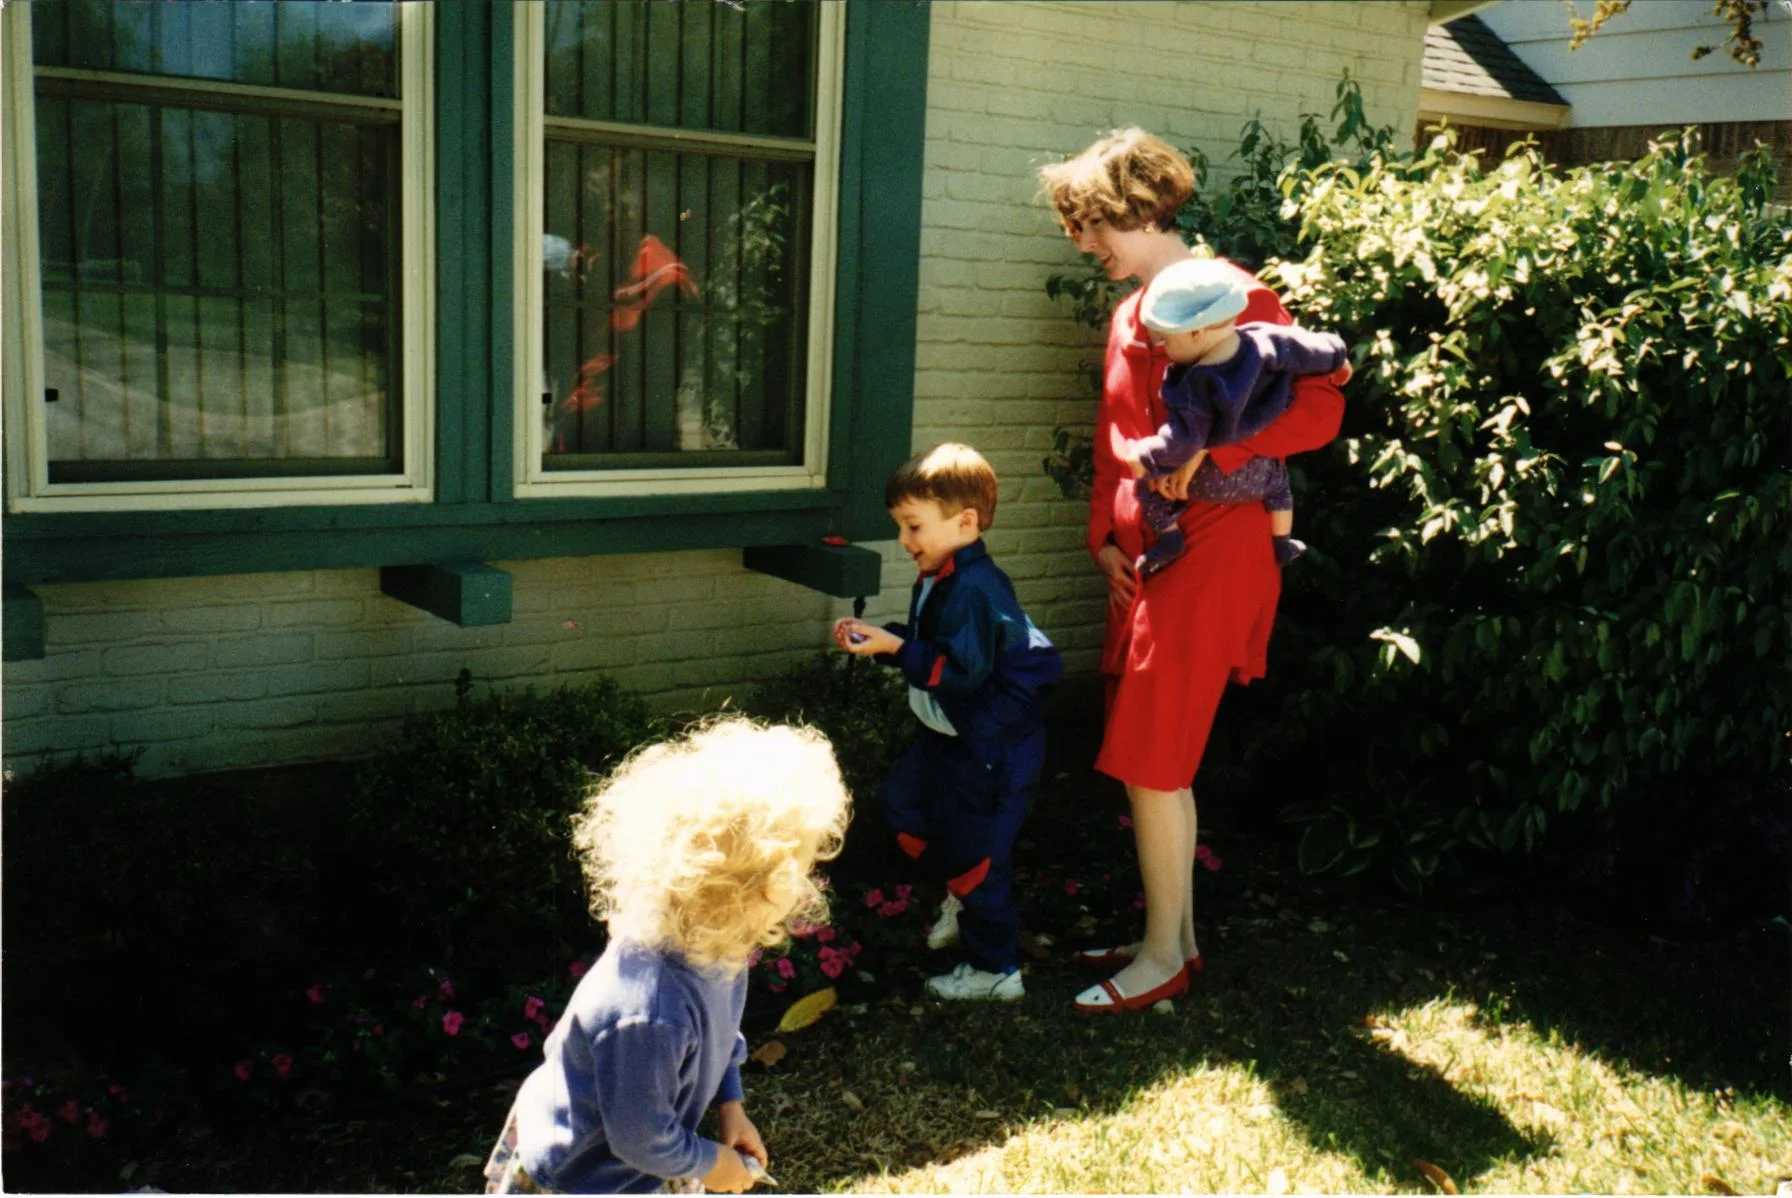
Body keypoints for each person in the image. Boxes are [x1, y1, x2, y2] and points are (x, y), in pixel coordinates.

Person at [1037, 128, 1345, 1015]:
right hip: (1147, 559)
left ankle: (1162, 958)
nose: (1084, 244)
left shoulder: (1231, 295)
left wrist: (1216, 452)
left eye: (1091, 225)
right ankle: (1175, 938)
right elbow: (1114, 443)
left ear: (1133, 210)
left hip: (1217, 547)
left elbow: (1318, 409)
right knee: (1155, 755)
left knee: (1154, 754)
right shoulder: (1127, 316)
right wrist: (1104, 539)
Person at [483, 719, 851, 1194]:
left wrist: (730, 1104)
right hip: (585, 1175)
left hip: (640, 1153)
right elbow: (639, 1138)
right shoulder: (650, 1013)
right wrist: (711, 1163)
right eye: (796, 870)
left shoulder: (717, 951)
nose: (804, 884)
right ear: (745, 891)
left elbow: (719, 1036)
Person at [832, 443, 1063, 1002]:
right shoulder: (941, 574)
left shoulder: (976, 589)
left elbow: (962, 671)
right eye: (900, 526)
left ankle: (995, 970)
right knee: (903, 807)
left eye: (913, 526)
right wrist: (889, 641)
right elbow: (937, 649)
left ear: (965, 523)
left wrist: (897, 648)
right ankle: (961, 889)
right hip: (946, 739)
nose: (903, 540)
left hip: (989, 749)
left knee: (978, 859)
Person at [1114, 256, 1351, 577]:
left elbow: (1183, 440)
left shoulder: (1195, 382)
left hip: (1210, 482)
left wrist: (1147, 457)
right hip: (1261, 476)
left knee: (1148, 488)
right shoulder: (1264, 339)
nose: (1164, 347)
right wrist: (1339, 361)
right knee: (1282, 487)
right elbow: (1312, 349)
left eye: (1167, 339)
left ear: (1197, 333)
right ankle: (1282, 543)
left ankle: (1169, 540)